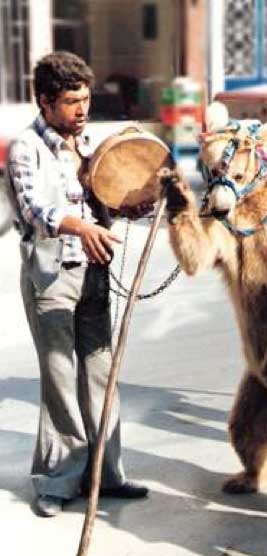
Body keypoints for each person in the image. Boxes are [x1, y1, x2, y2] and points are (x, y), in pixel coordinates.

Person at [6, 51, 149, 516]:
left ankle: (107, 475)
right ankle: (57, 480)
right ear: (45, 101)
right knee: (60, 380)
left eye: (85, 99)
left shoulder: (88, 142)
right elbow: (34, 211)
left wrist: (127, 206)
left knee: (100, 375)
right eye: (71, 101)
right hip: (52, 276)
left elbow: (104, 196)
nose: (82, 109)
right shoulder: (26, 148)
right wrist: (81, 227)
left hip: (95, 275)